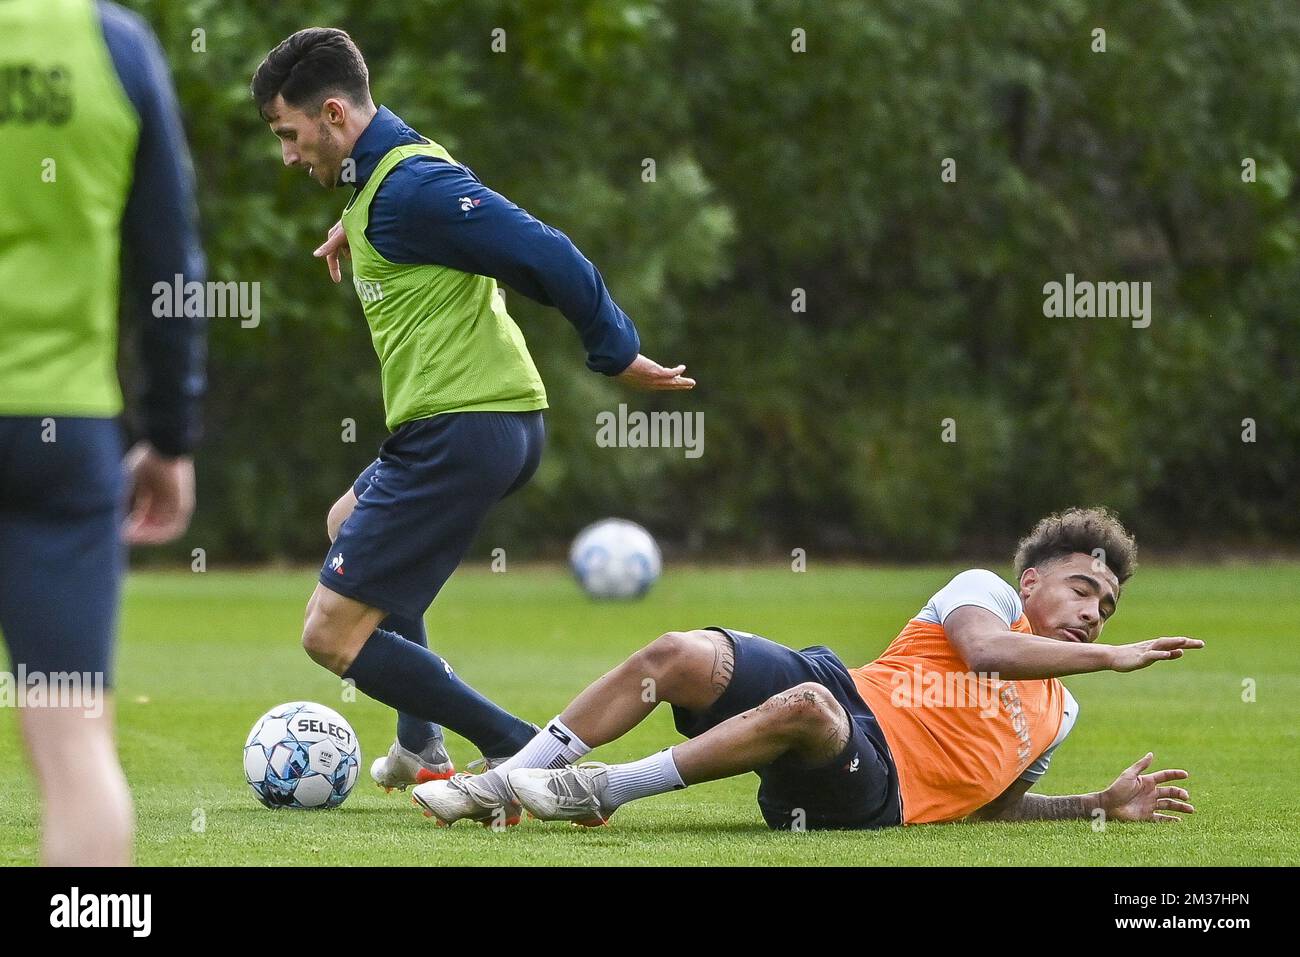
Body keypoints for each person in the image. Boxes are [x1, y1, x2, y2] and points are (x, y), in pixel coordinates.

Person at [251, 28, 694, 793]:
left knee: (328, 633)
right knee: (343, 523)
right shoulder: (387, 178)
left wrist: (613, 347)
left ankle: (520, 750)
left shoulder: (408, 187)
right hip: (474, 425)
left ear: (331, 113)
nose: (288, 156)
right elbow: (411, 210)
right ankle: (421, 745)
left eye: (290, 136)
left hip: (464, 427)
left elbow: (547, 251)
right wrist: (351, 225)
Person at [415, 507, 1201, 830]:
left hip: (874, 785)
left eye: (1109, 606)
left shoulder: (1062, 713)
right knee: (677, 653)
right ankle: (507, 781)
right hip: (846, 684)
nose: (1098, 610)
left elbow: (994, 809)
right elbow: (986, 654)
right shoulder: (987, 594)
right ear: (1032, 581)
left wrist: (1094, 804)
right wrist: (1109, 657)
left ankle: (603, 792)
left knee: (807, 707)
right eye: (1084, 586)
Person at [0, 0, 207, 864]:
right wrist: (170, 436)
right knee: (77, 746)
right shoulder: (111, 46)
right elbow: (172, 266)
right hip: (62, 436)